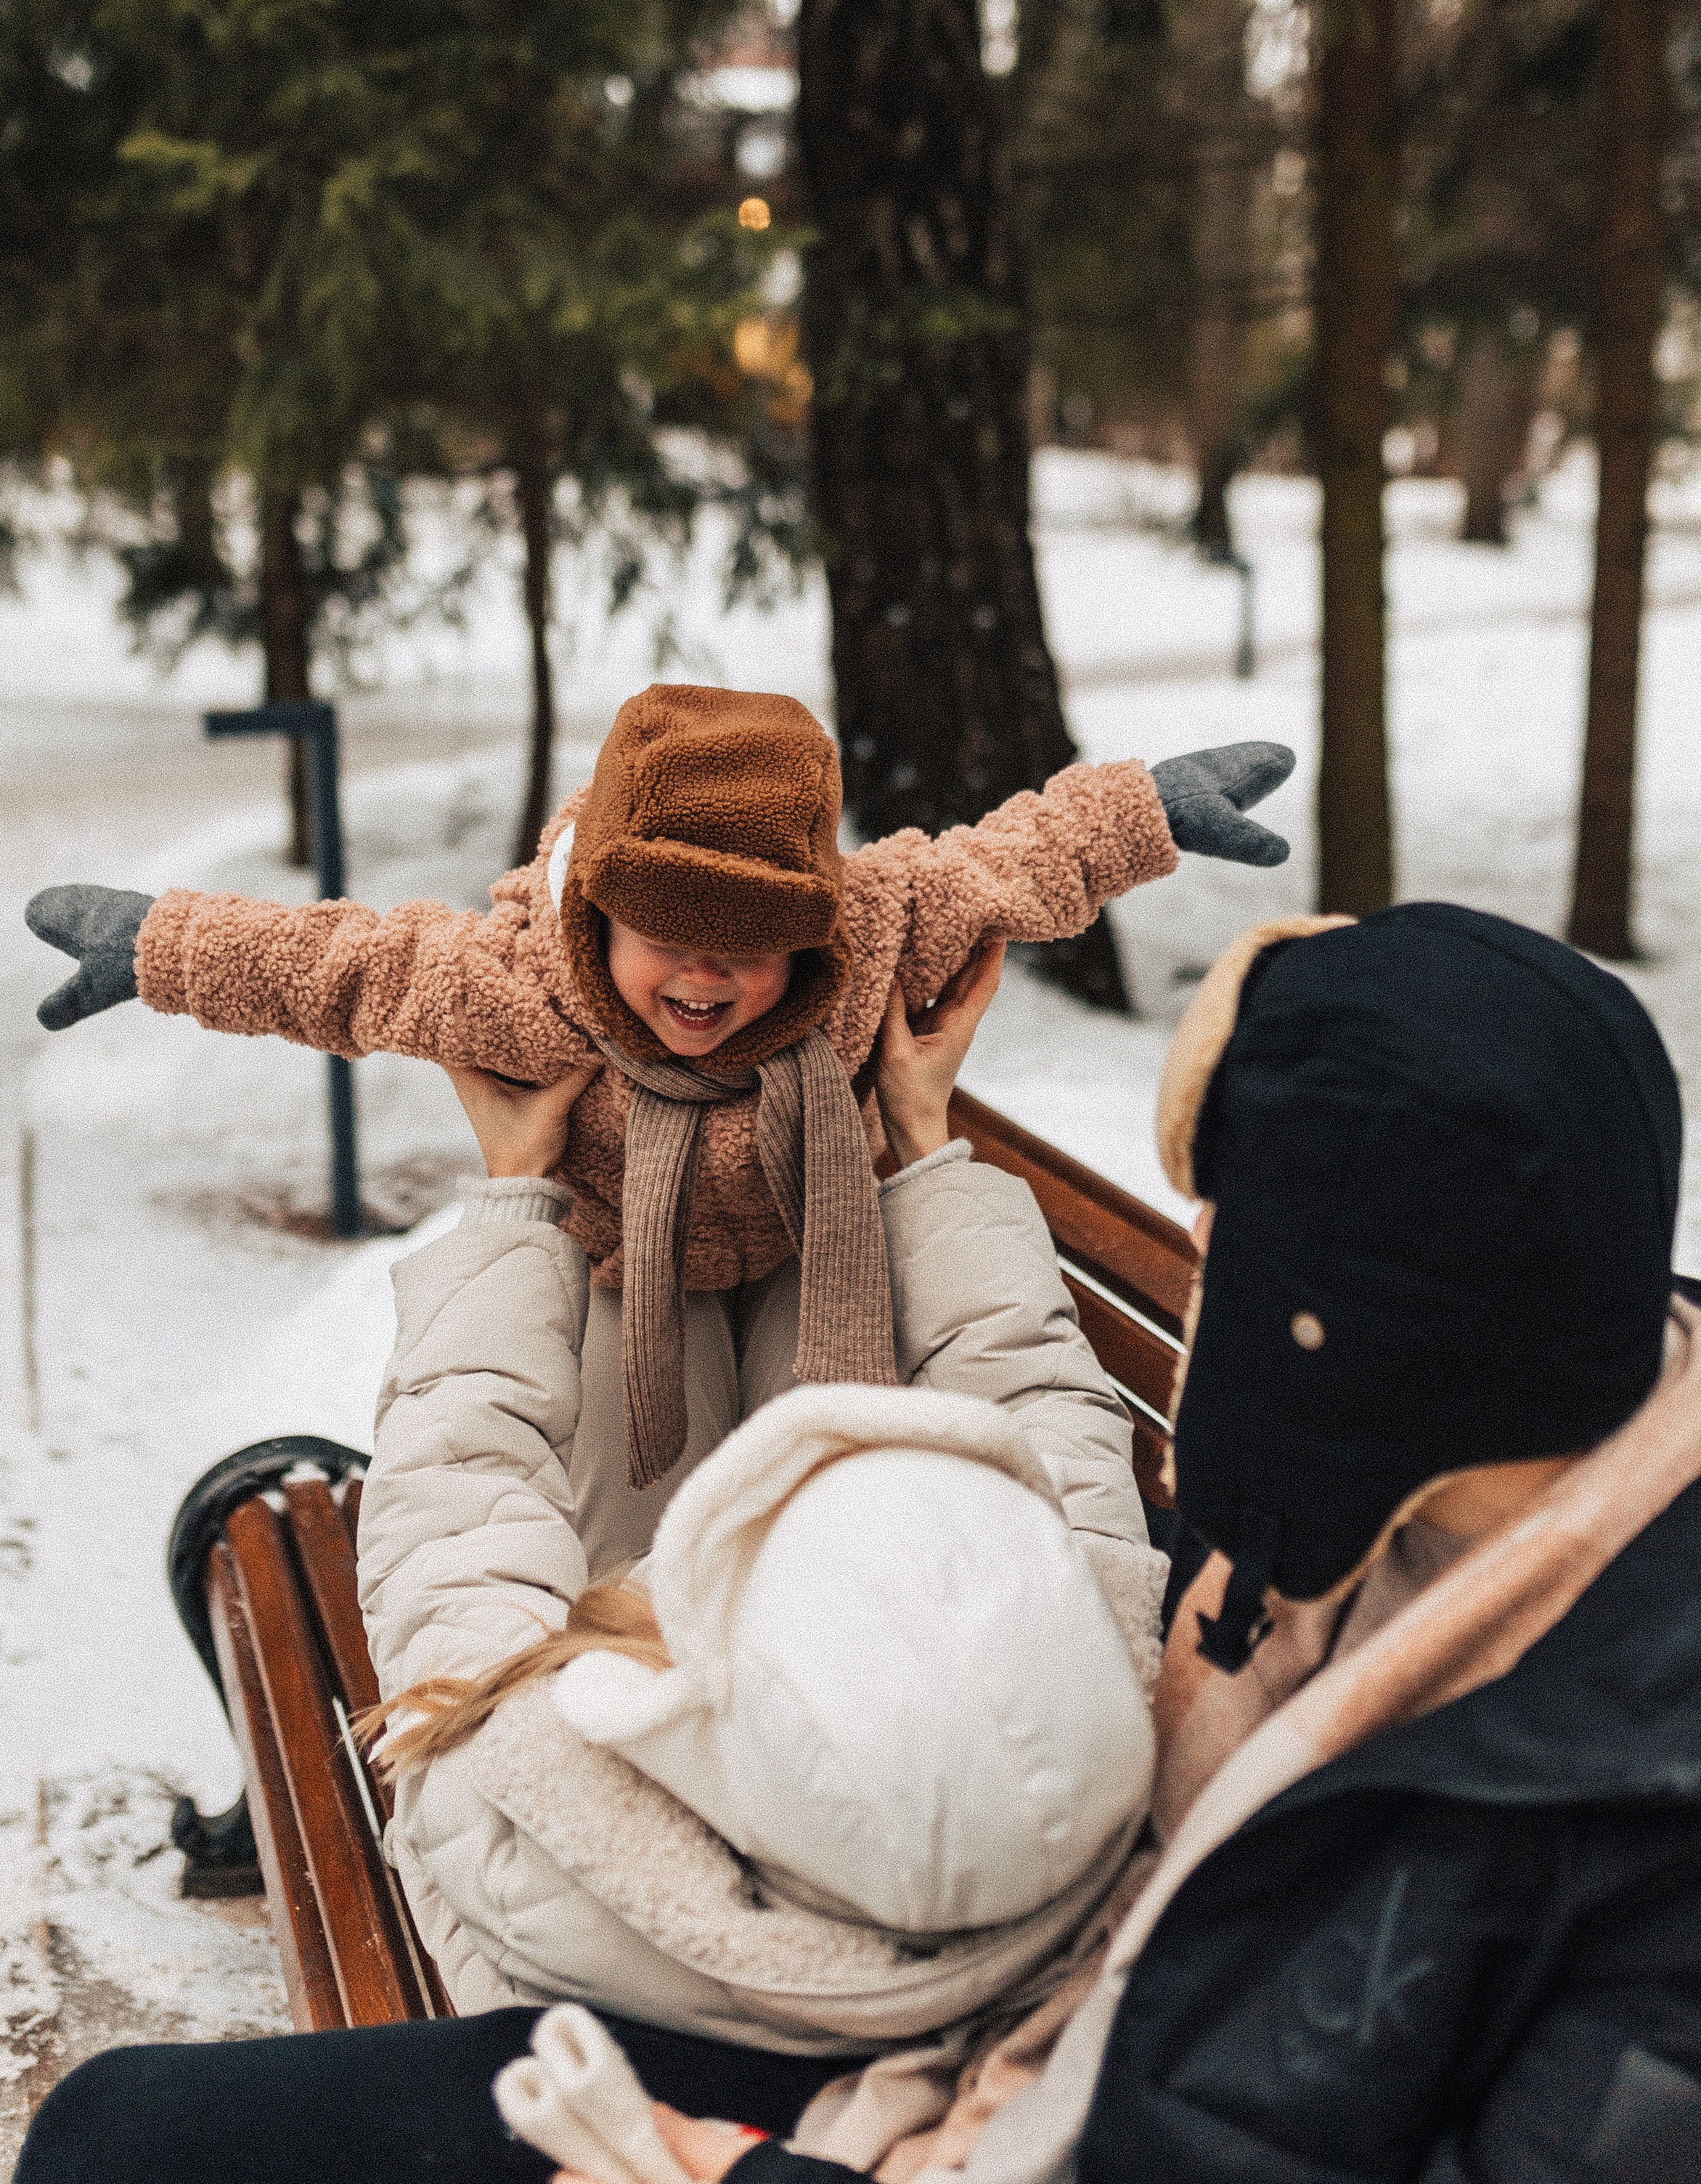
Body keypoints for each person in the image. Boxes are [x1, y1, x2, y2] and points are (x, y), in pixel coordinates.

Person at [12, 923, 1170, 2183]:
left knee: (107, 2132)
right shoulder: (1100, 1688)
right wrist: (926, 1139)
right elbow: (1046, 1410)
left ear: (706, 1704)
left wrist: (518, 1187)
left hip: (637, 2047)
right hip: (949, 2009)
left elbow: (456, 1531)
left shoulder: (561, 1830)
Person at [586, 902, 1701, 2184]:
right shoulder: (1450, 1489)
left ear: (1366, 1333)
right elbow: (1069, 1493)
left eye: (1244, 1227)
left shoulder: (1655, 1876)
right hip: (1006, 2027)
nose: (1201, 1248)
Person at [23, 683, 1293, 1565]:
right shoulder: (525, 984)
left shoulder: (864, 939)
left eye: (749, 952)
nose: (706, 981)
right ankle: (641, 1646)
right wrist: (156, 944)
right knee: (630, 1496)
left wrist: (1154, 808)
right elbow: (346, 967)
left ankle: (821, 1636)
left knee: (831, 1455)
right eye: (667, 944)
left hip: (814, 1247)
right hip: (630, 1260)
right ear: (600, 921)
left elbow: (1007, 858)